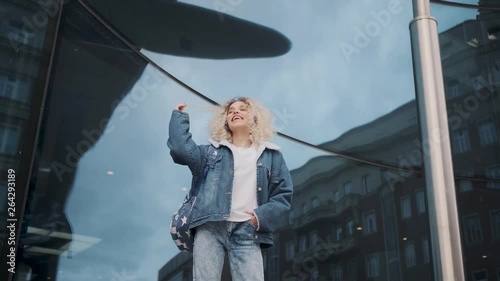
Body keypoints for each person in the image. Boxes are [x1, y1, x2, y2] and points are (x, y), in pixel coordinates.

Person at [167, 97, 293, 281]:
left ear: (254, 117)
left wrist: (260, 217)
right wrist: (179, 117)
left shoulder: (272, 156)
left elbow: (283, 195)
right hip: (210, 226)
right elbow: (181, 151)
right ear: (225, 120)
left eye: (243, 109)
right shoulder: (211, 151)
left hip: (248, 230)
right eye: (231, 110)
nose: (235, 112)